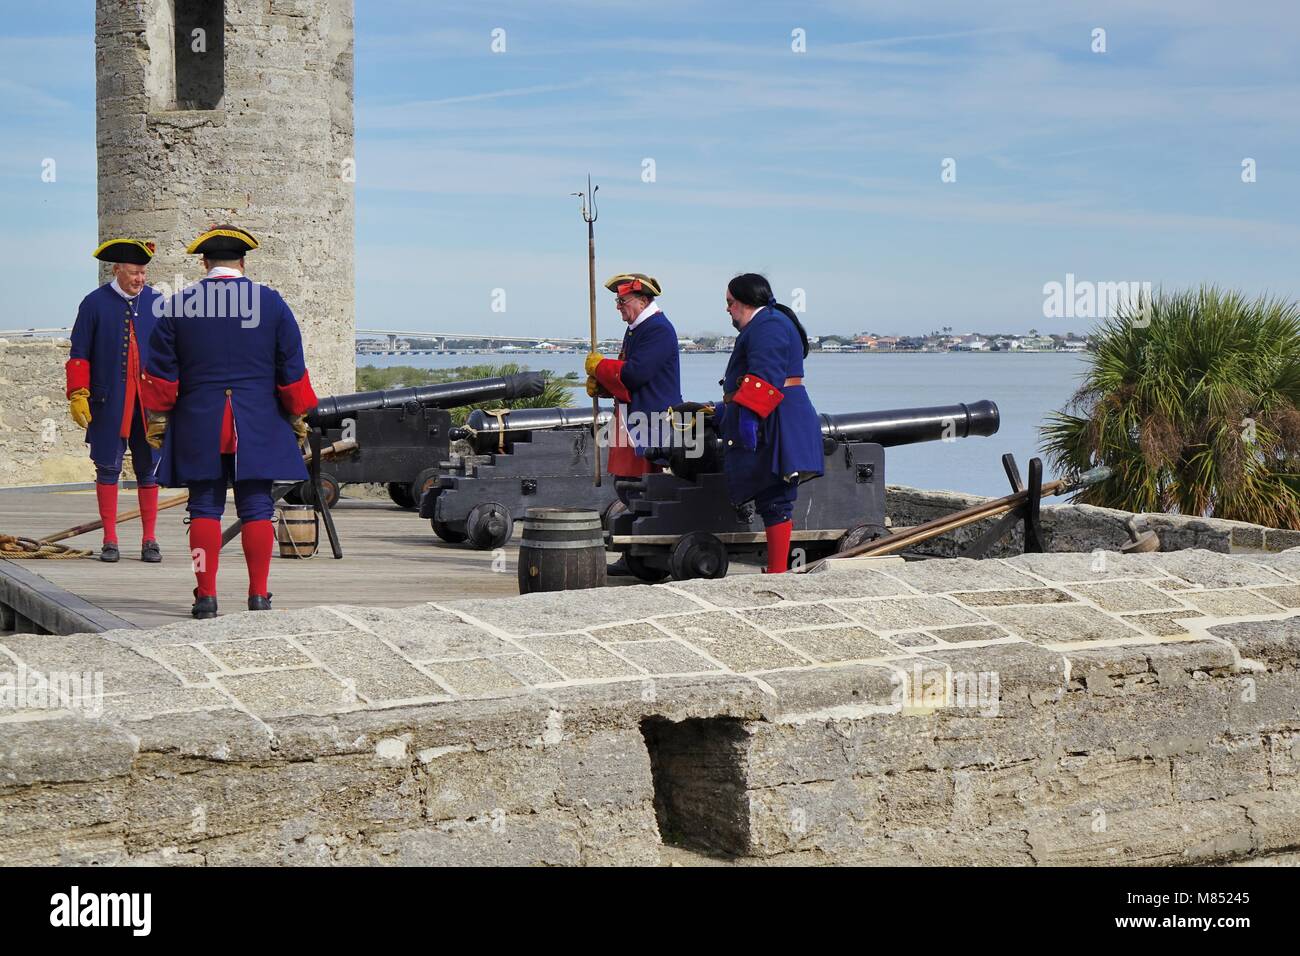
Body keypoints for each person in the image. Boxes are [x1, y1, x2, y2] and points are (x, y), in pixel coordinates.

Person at [141, 226, 318, 618]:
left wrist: (160, 419)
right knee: (256, 507)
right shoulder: (272, 304)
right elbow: (292, 372)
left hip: (198, 422)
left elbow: (161, 377)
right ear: (242, 262)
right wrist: (296, 413)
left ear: (205, 263)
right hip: (258, 422)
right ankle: (258, 596)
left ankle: (206, 598)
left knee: (204, 508)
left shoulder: (179, 305)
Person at [716, 273, 824, 573]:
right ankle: (777, 568)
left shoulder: (769, 324)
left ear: (745, 301)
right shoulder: (767, 323)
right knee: (770, 494)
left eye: (730, 303)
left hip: (776, 416)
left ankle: (778, 571)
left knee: (776, 495)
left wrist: (749, 418)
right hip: (773, 412)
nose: (727, 309)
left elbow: (765, 375)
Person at [66, 239, 164, 563]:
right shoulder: (93, 304)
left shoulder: (157, 302)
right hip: (109, 403)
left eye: (143, 273)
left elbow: (170, 355)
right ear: (116, 269)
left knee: (148, 469)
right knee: (107, 467)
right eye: (135, 273)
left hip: (148, 405)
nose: (140, 279)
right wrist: (78, 393)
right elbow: (79, 355)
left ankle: (150, 539)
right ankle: (110, 539)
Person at [585, 272, 683, 575]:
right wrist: (603, 385)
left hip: (653, 419)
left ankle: (654, 549)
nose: (618, 306)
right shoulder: (638, 328)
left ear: (642, 300)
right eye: (617, 300)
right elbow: (630, 375)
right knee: (629, 485)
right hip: (635, 417)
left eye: (622, 300)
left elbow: (636, 373)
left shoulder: (658, 330)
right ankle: (639, 552)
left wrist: (601, 367)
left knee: (644, 487)